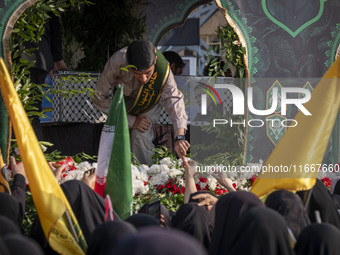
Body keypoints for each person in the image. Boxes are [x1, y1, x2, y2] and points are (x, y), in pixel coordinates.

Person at [93, 40, 189, 165]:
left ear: (154, 62)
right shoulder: (117, 61)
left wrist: (179, 137)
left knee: (140, 133)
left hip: (149, 103)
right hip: (123, 103)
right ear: (128, 65)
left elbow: (175, 100)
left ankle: (145, 176)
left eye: (148, 73)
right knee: (120, 137)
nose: (144, 79)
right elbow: (98, 96)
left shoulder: (162, 68)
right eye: (137, 74)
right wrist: (131, 120)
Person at [21, 12, 67, 140]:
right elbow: (53, 16)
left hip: (31, 53)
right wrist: (56, 56)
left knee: (30, 110)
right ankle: (29, 155)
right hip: (35, 53)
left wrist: (55, 57)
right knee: (31, 111)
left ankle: (27, 155)